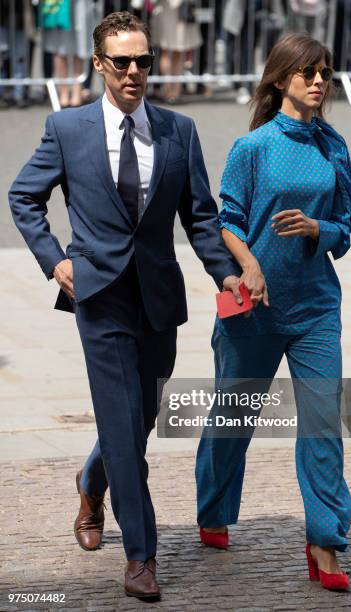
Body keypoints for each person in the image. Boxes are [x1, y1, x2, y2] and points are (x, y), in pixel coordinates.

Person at [9, 10, 242, 601]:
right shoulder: (67, 130)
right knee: (121, 423)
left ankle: (91, 482)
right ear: (99, 64)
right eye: (122, 62)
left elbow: (201, 217)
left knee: (135, 426)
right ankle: (142, 555)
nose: (134, 71)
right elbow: (23, 196)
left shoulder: (178, 130)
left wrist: (227, 275)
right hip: (99, 298)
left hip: (159, 301)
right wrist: (55, 260)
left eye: (144, 60)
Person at [195, 32, 351, 592]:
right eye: (307, 72)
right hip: (254, 309)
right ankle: (213, 510)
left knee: (321, 426)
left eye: (325, 73)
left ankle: (325, 542)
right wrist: (249, 263)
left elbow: (345, 231)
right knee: (232, 419)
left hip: (317, 308)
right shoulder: (254, 148)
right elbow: (228, 220)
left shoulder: (333, 147)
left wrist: (321, 229)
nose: (318, 81)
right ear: (280, 79)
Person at [41, 0, 102, 107]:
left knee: (81, 44)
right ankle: (63, 92)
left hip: (81, 4)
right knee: (60, 47)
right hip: (60, 4)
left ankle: (76, 91)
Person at [151, 0, 203, 103]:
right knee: (168, 51)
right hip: (168, 11)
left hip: (180, 11)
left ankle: (174, 91)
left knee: (178, 52)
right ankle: (169, 90)